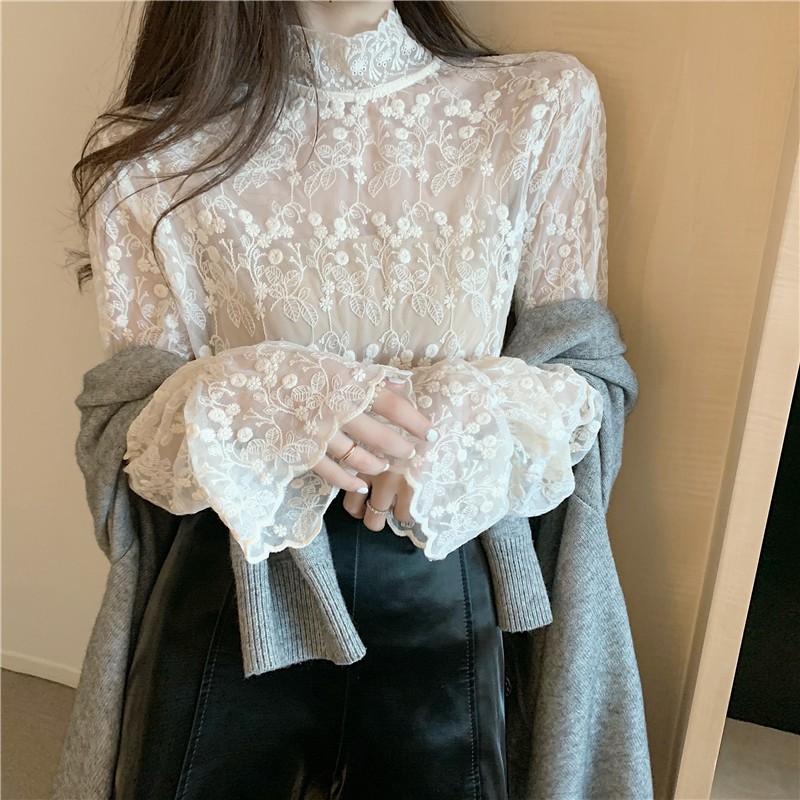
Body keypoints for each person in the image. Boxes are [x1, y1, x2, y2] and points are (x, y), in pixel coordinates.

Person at [70, 1, 608, 797]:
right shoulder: (150, 153)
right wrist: (268, 395)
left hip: (443, 591)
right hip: (234, 594)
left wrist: (454, 419)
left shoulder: (538, 103)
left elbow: (586, 384)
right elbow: (129, 427)